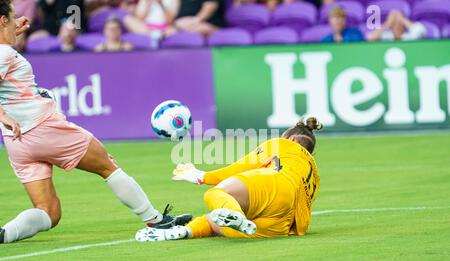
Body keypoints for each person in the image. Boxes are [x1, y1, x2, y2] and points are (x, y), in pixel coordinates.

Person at [0, 0, 191, 244]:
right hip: (43, 128)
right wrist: (3, 115)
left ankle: (5, 234)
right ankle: (155, 220)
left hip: (17, 143)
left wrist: (9, 34)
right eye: (12, 17)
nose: (17, 21)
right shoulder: (4, 53)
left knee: (49, 212)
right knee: (107, 165)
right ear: (2, 20)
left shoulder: (4, 49)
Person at [136, 118, 322, 242]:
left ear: (292, 138)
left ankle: (237, 215)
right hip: (283, 224)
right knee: (213, 221)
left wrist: (201, 176)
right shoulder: (313, 172)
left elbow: (239, 168)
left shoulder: (284, 145)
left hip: (277, 185)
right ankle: (181, 232)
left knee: (217, 193)